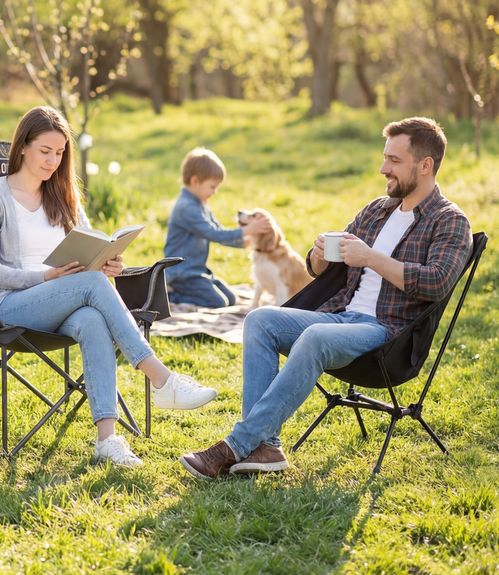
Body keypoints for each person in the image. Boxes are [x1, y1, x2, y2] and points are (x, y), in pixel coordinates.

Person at [179, 117, 472, 479]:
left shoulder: (449, 220)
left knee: (315, 337)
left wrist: (371, 258)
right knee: (259, 320)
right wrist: (318, 255)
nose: (384, 169)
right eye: (385, 158)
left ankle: (235, 446)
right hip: (341, 317)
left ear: (425, 165)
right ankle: (266, 447)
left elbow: (438, 283)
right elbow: (320, 268)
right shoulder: (377, 209)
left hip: (386, 333)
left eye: (394, 161)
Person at [0, 106, 219, 468]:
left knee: (92, 318)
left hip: (66, 301)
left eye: (59, 153)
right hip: (8, 306)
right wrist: (46, 277)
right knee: (88, 283)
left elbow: (90, 248)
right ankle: (162, 380)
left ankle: (107, 440)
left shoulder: (63, 195)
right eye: (45, 151)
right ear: (22, 146)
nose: (53, 161)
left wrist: (108, 263)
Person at [163, 148, 271, 308]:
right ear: (195, 181)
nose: (215, 192)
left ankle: (188, 291)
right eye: (212, 187)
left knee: (231, 299)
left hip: (198, 272)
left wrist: (242, 241)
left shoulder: (201, 204)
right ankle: (171, 296)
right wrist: (248, 229)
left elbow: (218, 229)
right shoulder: (186, 207)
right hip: (182, 275)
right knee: (218, 302)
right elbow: (214, 234)